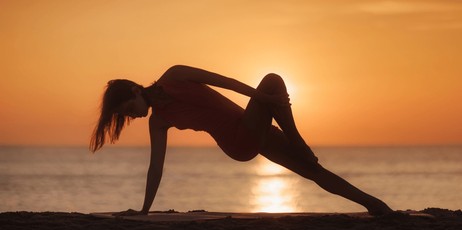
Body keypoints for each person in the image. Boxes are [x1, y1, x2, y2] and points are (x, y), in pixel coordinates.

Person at [90, 65, 393, 216]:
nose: (134, 117)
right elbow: (156, 168)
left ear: (134, 91)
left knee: (314, 172)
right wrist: (144, 211)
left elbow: (228, 83)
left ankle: (379, 208)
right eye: (127, 117)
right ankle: (298, 140)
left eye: (130, 111)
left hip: (254, 128)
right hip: (237, 141)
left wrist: (263, 100)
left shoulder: (176, 75)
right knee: (274, 79)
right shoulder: (159, 122)